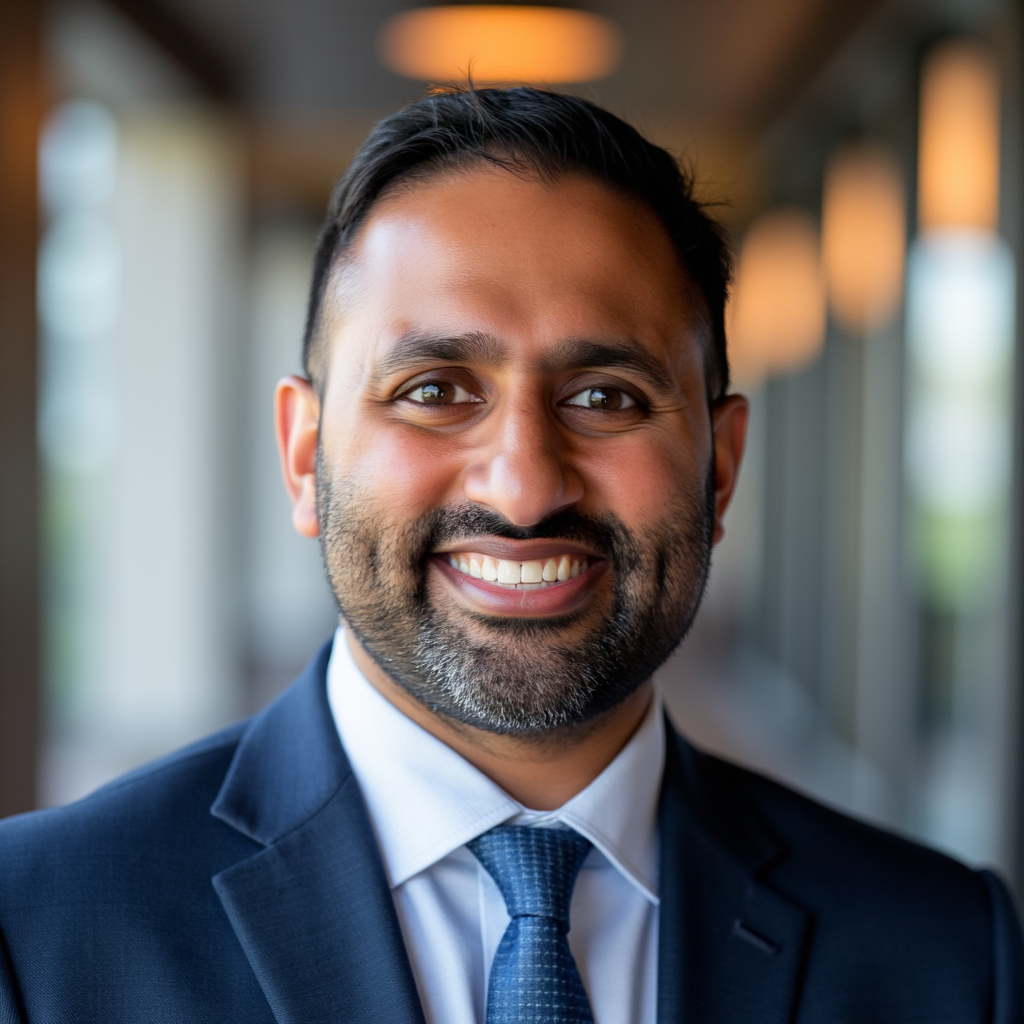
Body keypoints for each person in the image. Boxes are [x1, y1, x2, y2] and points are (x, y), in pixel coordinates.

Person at [0, 85, 1021, 1024]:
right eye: (435, 391)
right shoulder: (35, 930)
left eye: (606, 397)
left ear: (719, 468)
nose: (525, 487)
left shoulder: (947, 951)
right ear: (306, 457)